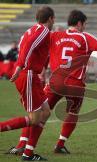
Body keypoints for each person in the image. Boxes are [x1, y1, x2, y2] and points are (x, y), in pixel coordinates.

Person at [7, 9, 97, 155]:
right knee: (72, 113)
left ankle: (23, 145)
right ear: (80, 23)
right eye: (85, 24)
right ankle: (60, 144)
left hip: (54, 83)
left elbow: (42, 52)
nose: (85, 27)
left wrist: (42, 69)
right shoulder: (84, 38)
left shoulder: (54, 35)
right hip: (74, 85)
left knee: (38, 113)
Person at [1, 6, 55, 161]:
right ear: (50, 18)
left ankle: (28, 153)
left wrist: (41, 69)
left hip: (32, 76)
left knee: (45, 112)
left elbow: (28, 46)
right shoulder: (43, 30)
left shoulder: (31, 30)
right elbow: (28, 46)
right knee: (34, 119)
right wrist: (19, 66)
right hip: (28, 75)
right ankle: (27, 154)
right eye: (54, 18)